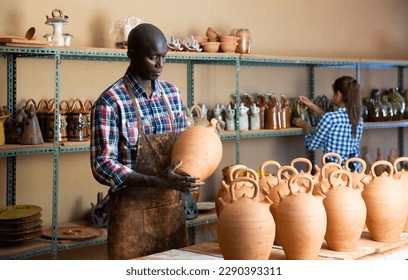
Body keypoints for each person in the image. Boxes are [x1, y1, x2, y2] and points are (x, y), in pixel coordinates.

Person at [90, 23, 204, 260]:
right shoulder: (111, 102)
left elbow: (183, 144)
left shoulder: (171, 93)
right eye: (153, 57)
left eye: (164, 57)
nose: (160, 65)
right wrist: (154, 181)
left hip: (171, 213)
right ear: (131, 54)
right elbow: (102, 164)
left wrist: (196, 161)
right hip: (130, 217)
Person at [293, 76, 363, 171]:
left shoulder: (330, 119)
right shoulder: (358, 119)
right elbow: (334, 119)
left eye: (333, 93)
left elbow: (311, 145)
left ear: (338, 95)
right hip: (355, 170)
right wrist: (312, 105)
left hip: (334, 172)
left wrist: (305, 126)